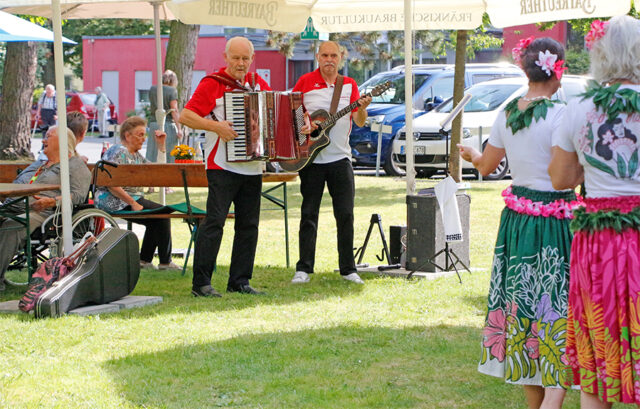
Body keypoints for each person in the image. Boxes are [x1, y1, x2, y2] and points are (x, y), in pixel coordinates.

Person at [459, 37, 578, 409]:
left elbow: (487, 166)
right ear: (557, 70)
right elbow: (565, 175)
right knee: (558, 303)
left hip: (517, 221)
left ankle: (538, 402)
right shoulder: (562, 114)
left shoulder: (507, 112)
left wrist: (473, 154)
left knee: (522, 306)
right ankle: (552, 401)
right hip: (555, 220)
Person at [548, 16, 640, 408]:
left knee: (595, 343)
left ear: (599, 54)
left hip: (599, 241)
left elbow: (561, 178)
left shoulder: (578, 107)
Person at [179, 36, 270, 297]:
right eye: (236, 58)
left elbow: (273, 110)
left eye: (245, 58)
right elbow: (186, 115)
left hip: (252, 166)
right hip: (221, 165)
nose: (241, 63)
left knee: (248, 225)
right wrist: (216, 126)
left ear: (252, 59)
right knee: (214, 223)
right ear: (225, 57)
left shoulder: (257, 84)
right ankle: (202, 284)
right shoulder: (213, 84)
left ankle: (240, 281)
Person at [290, 41, 371, 285]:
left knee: (345, 214)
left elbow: (359, 121)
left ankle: (348, 268)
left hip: (340, 158)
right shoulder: (305, 82)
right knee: (308, 214)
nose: (329, 59)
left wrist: (363, 108)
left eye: (333, 55)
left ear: (341, 58)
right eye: (324, 55)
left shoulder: (349, 85)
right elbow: (292, 111)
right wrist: (303, 124)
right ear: (317, 57)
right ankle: (304, 268)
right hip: (312, 159)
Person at [0, 126, 90, 291]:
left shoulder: (75, 165)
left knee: (11, 226)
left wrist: (52, 201)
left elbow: (78, 195)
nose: (43, 140)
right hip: (12, 205)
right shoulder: (39, 164)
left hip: (43, 212)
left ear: (63, 141)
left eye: (48, 136)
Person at [94, 116, 180, 272]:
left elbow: (159, 172)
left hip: (128, 199)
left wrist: (161, 147)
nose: (143, 139)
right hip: (114, 200)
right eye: (140, 135)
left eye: (144, 135)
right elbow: (111, 184)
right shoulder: (118, 151)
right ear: (127, 136)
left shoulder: (135, 155)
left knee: (157, 217)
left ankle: (145, 261)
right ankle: (165, 262)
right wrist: (133, 203)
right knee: (163, 214)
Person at [146, 70, 183, 164]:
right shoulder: (172, 91)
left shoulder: (153, 89)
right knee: (169, 155)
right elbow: (174, 110)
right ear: (173, 80)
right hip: (167, 125)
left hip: (154, 124)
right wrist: (179, 129)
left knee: (152, 154)